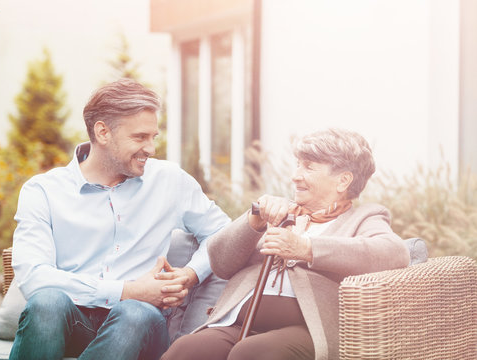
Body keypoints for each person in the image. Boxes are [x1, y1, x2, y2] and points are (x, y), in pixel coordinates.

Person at [9, 78, 230, 360]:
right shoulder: (43, 191)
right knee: (47, 302)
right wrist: (127, 290)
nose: (150, 148)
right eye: (139, 137)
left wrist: (189, 274)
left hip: (142, 326)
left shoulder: (169, 181)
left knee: (135, 313)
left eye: (153, 137)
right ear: (102, 132)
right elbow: (33, 277)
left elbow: (223, 233)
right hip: (73, 323)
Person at [162, 128, 410, 360]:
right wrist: (253, 221)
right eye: (298, 165)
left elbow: (394, 252)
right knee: (187, 349)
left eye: (309, 168)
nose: (295, 176)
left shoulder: (363, 218)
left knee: (253, 353)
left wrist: (307, 249)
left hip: (308, 329)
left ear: (343, 180)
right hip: (239, 323)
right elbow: (220, 263)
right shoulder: (278, 213)